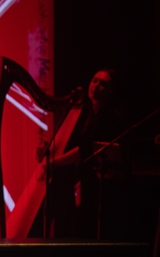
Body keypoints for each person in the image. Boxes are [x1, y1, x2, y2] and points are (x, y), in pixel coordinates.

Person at [46, 68, 125, 239]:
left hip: (100, 191)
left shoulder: (108, 117)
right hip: (87, 185)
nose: (96, 86)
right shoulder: (87, 114)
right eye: (94, 80)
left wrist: (54, 162)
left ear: (112, 92)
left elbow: (84, 150)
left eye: (103, 84)